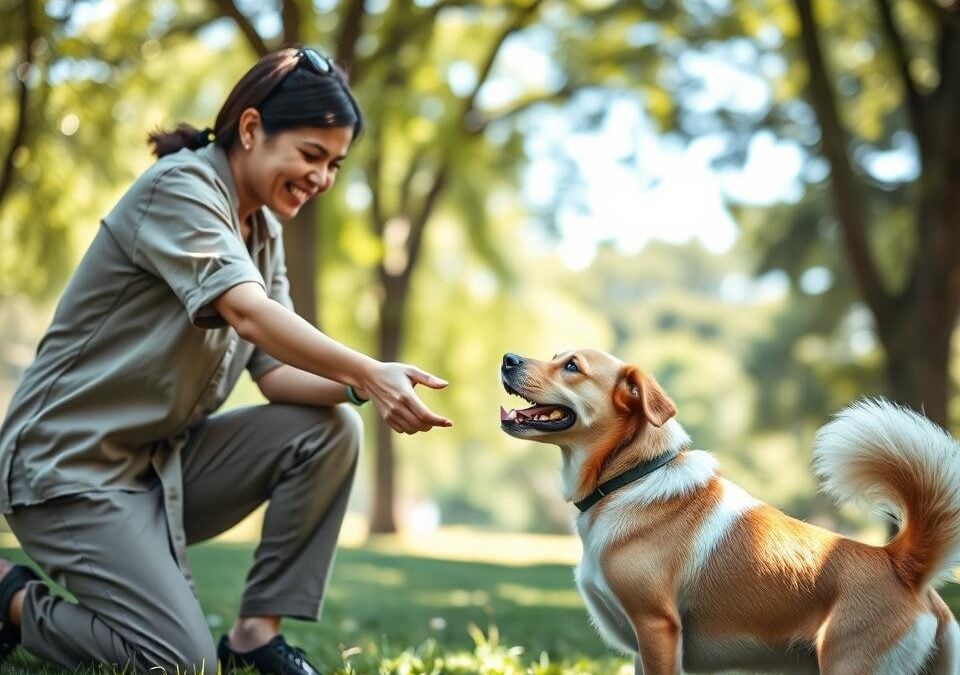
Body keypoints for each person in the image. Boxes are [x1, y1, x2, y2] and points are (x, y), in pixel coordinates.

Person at [0, 46, 452, 675]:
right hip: (68, 471)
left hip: (160, 471)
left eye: (335, 164)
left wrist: (363, 389)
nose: (321, 178)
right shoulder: (180, 187)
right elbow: (246, 312)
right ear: (249, 129)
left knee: (327, 431)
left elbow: (273, 374)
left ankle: (253, 639)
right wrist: (363, 369)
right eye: (311, 155)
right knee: (176, 663)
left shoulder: (261, 231)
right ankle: (12, 600)